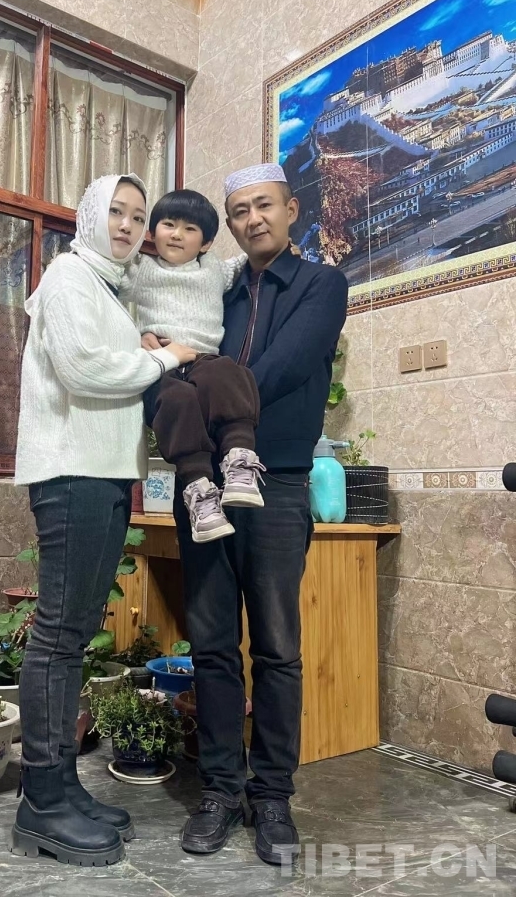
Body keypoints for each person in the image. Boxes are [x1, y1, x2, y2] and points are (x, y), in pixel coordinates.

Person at [11, 173, 197, 867]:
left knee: (73, 634)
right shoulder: (67, 276)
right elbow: (84, 370)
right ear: (89, 215)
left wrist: (141, 347)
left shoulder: (105, 287)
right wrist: (164, 357)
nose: (127, 225)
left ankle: (61, 785)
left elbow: (108, 362)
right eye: (115, 211)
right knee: (59, 633)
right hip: (73, 473)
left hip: (102, 473)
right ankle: (41, 800)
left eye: (136, 216)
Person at [173, 163, 348, 865]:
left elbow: (285, 367)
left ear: (291, 209)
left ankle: (272, 794)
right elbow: (173, 353)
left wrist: (204, 385)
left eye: (264, 206)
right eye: (240, 211)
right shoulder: (215, 292)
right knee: (212, 645)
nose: (253, 220)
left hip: (278, 485)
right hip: (204, 487)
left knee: (277, 648)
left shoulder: (321, 286)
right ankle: (219, 790)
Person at [119, 189, 265, 545]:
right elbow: (108, 294)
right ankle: (199, 491)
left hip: (203, 360)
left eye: (189, 229)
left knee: (230, 373)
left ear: (206, 242)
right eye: (168, 224)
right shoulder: (141, 271)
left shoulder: (213, 268)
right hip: (162, 364)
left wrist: (280, 251)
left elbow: (240, 264)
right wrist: (135, 338)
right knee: (176, 401)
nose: (177, 234)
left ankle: (240, 460)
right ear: (152, 231)